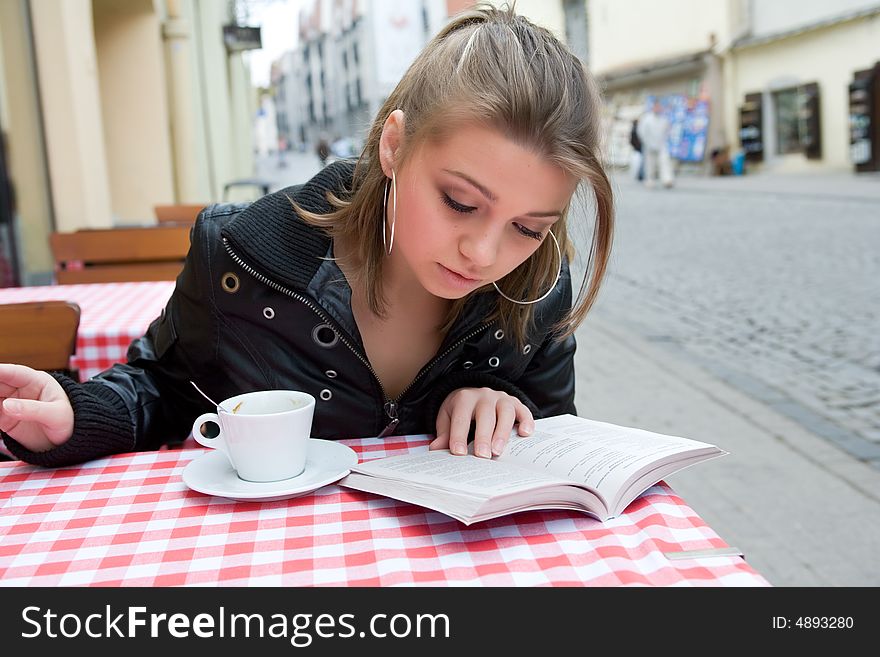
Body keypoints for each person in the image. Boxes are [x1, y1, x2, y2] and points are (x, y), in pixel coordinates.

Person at [0, 5, 614, 468]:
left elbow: (555, 436)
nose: (484, 254)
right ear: (394, 146)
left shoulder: (536, 283)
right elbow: (162, 385)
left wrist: (509, 407)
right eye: (459, 202)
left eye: (529, 228)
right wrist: (77, 415)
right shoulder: (242, 255)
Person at [636, 100, 674, 188]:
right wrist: (645, 142)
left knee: (664, 162)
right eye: (656, 107)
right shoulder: (647, 119)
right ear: (653, 107)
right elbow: (641, 131)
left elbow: (667, 131)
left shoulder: (664, 119)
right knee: (650, 164)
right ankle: (650, 180)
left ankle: (667, 179)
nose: (658, 109)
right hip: (649, 145)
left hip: (661, 145)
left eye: (659, 107)